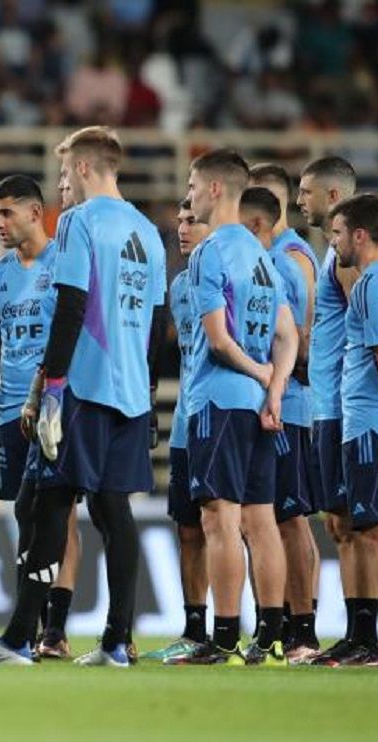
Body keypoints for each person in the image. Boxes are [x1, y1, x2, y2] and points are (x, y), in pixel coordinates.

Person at [0, 127, 166, 667]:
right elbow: (156, 326)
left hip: (85, 387)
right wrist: (149, 396)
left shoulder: (78, 222)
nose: (63, 179)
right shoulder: (148, 232)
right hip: (132, 394)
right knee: (114, 513)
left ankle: (19, 639)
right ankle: (117, 642)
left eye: (67, 168)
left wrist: (50, 391)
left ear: (87, 168)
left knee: (46, 506)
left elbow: (70, 308)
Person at [165, 150, 299, 666]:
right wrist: (275, 387)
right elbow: (287, 335)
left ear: (216, 189)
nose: (190, 194)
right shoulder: (264, 257)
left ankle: (221, 640)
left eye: (194, 185)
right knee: (261, 520)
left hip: (217, 400)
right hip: (259, 408)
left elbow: (218, 341)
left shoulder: (211, 252)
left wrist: (264, 375)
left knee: (219, 519)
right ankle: (269, 637)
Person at [0, 175, 81, 660]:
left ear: (35, 212)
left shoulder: (66, 262)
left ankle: (55, 630)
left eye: (6, 212)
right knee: (24, 517)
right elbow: (3, 342)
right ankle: (33, 627)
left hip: (57, 406)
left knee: (61, 517)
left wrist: (46, 392)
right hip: (9, 408)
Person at [297, 157, 378, 666]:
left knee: (359, 525)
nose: (299, 200)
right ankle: (359, 631)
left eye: (306, 192)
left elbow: (363, 331)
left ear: (333, 199)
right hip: (330, 404)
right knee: (342, 525)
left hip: (343, 406)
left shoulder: (347, 262)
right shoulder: (331, 256)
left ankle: (367, 633)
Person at [242, 171, 322, 662]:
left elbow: (299, 337)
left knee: (291, 518)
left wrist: (279, 385)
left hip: (288, 403)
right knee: (271, 517)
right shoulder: (266, 257)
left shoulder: (289, 259)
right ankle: (284, 622)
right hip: (271, 401)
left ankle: (304, 628)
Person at [331, 193, 378, 666]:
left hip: (373, 421)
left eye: (336, 233)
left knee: (377, 529)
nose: (332, 243)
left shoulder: (372, 284)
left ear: (359, 234)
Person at [144, 199, 212, 661]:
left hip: (224, 413)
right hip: (187, 419)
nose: (182, 230)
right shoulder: (181, 284)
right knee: (187, 529)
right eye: (181, 222)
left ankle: (254, 627)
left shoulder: (229, 272)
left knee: (231, 524)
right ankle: (195, 629)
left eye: (192, 222)